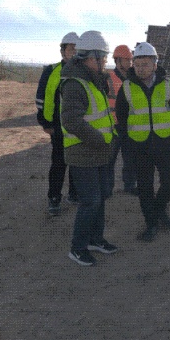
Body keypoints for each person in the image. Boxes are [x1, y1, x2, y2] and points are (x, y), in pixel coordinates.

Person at [60, 30, 118, 266]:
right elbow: (71, 121)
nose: (105, 61)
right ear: (90, 57)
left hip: (98, 151)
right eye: (102, 57)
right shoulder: (75, 83)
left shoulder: (94, 79)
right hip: (82, 152)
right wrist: (100, 139)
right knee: (90, 201)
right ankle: (78, 248)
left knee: (100, 197)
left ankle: (95, 239)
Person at [115, 42, 170, 242]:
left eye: (145, 64)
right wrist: (131, 140)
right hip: (139, 146)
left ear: (155, 64)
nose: (141, 68)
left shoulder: (168, 84)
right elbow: (121, 115)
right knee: (145, 187)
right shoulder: (127, 87)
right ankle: (151, 223)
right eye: (137, 64)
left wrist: (162, 127)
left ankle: (158, 210)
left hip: (164, 143)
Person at [35, 32, 78, 216]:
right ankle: (54, 198)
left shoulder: (84, 72)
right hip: (59, 128)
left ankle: (74, 194)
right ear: (63, 51)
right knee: (59, 164)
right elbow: (41, 99)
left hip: (78, 128)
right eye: (71, 49)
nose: (74, 53)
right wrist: (45, 123)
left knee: (77, 162)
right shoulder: (51, 71)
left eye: (78, 50)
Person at [106, 44, 138, 195]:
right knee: (109, 160)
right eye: (127, 60)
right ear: (118, 60)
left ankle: (130, 186)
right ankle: (107, 188)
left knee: (130, 159)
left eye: (131, 60)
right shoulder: (107, 79)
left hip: (129, 126)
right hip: (113, 126)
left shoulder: (134, 79)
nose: (130, 62)